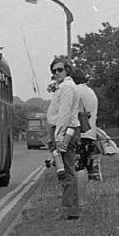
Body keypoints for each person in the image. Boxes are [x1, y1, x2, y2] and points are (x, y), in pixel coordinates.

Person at [46, 56, 81, 219]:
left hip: (65, 132)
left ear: (67, 70)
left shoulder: (67, 87)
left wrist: (59, 136)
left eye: (60, 69)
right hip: (65, 130)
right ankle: (69, 209)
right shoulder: (65, 86)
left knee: (67, 171)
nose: (56, 73)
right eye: (54, 71)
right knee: (64, 170)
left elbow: (65, 113)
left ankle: (70, 210)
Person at [71, 68, 99, 205]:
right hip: (91, 134)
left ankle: (80, 201)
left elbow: (74, 113)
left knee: (78, 167)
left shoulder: (76, 91)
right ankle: (83, 199)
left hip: (80, 134)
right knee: (85, 168)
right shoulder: (90, 92)